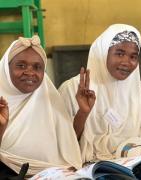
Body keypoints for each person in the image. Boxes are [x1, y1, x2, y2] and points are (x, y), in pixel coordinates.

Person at [59, 24, 141, 166]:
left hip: (132, 166)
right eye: (119, 53)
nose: (126, 62)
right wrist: (83, 113)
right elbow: (64, 145)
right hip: (88, 168)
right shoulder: (71, 89)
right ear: (103, 53)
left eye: (133, 56)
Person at [0, 36, 82, 177]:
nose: (30, 72)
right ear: (6, 69)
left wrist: (83, 112)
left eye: (37, 67)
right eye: (21, 65)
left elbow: (69, 147)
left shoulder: (50, 102)